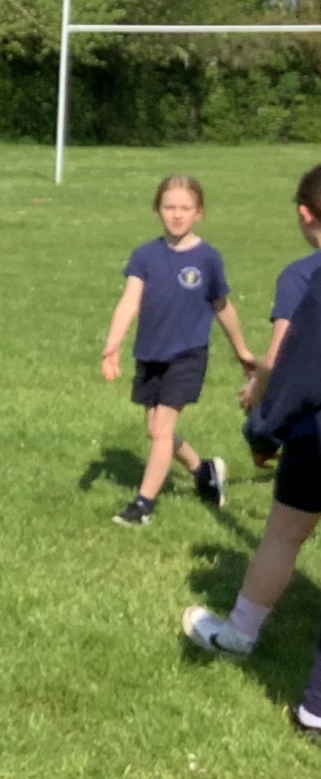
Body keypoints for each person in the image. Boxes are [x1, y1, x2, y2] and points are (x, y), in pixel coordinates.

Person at [183, 164, 321, 657]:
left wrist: (262, 428)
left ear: (304, 214)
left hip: (313, 432)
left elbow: (284, 360)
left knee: (283, 536)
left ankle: (239, 635)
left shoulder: (302, 275)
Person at [101, 175, 257, 526]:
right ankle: (203, 471)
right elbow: (129, 301)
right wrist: (113, 343)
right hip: (149, 353)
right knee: (156, 430)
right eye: (169, 207)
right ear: (157, 210)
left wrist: (241, 350)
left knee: (161, 430)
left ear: (199, 212)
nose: (177, 214)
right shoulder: (144, 256)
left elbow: (222, 307)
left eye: (185, 208)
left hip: (188, 355)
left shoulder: (208, 258)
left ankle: (143, 505)